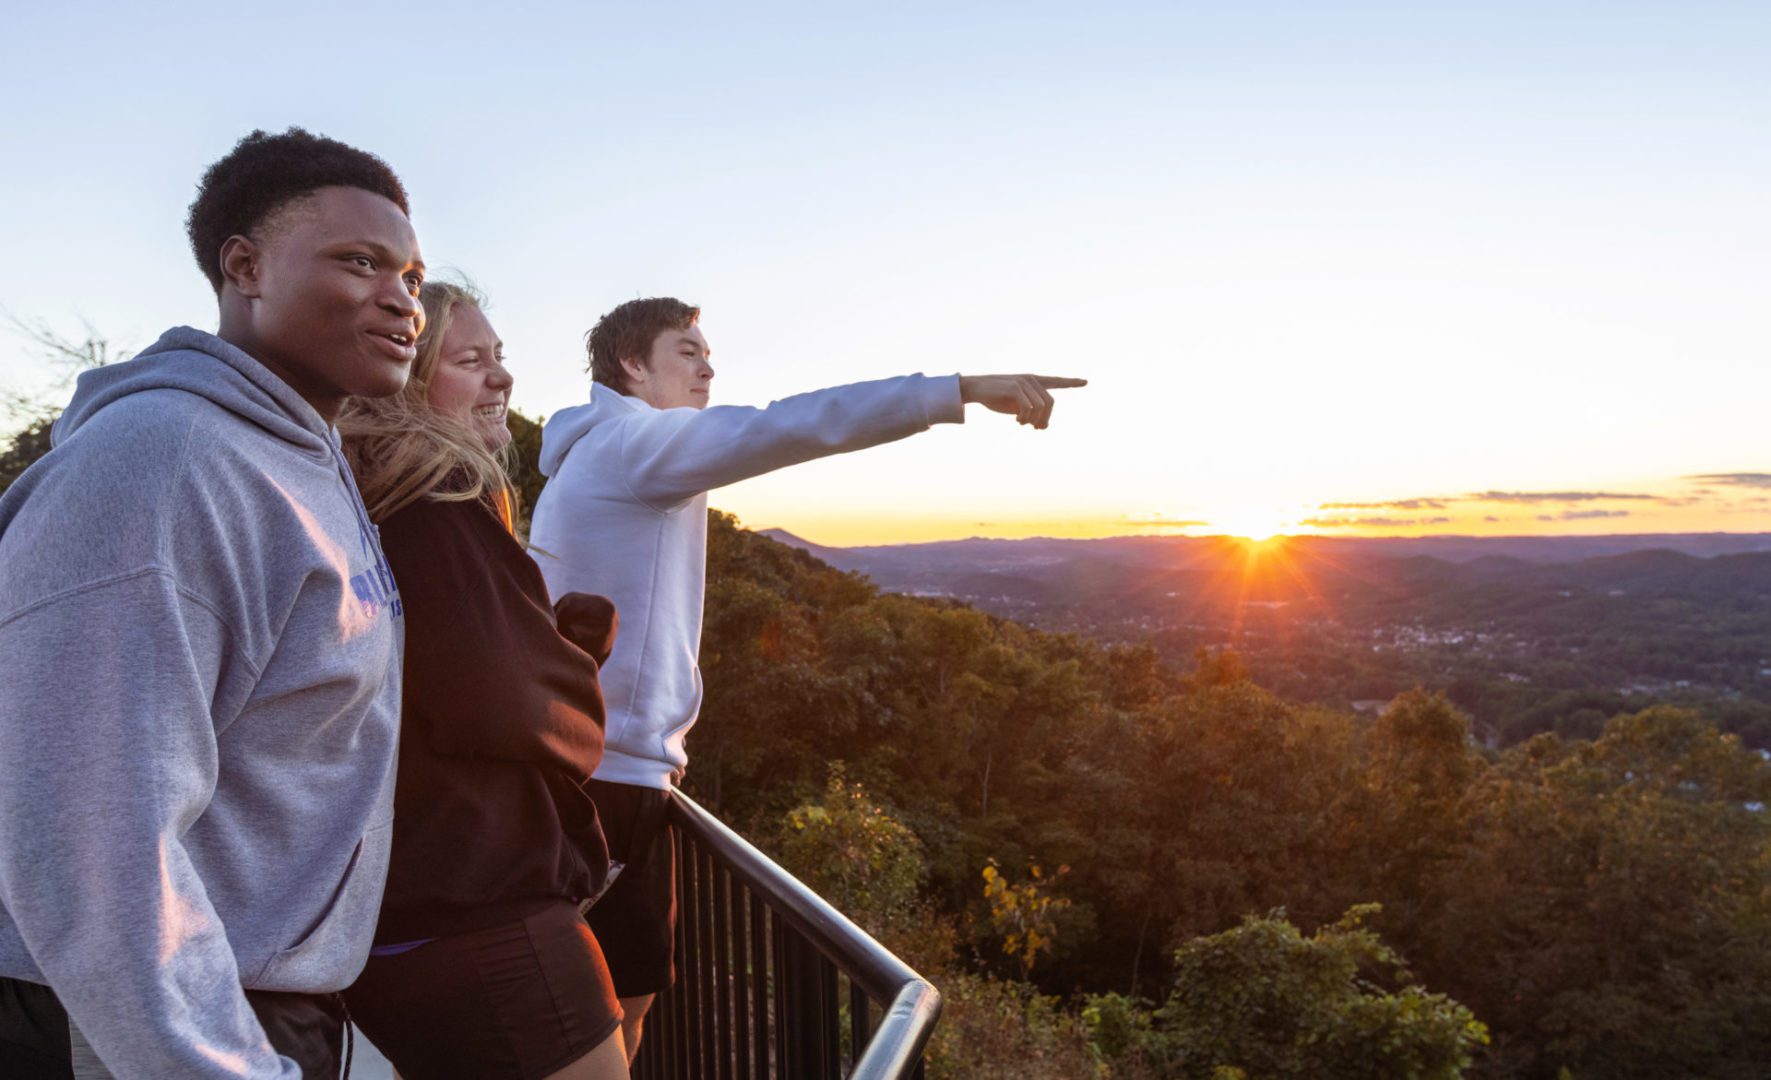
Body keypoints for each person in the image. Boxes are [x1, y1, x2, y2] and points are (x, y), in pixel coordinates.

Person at [528, 296, 1085, 1057]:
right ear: (632, 365)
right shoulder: (636, 445)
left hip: (596, 763)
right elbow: (790, 423)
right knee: (611, 1018)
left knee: (611, 1006)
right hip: (614, 775)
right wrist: (957, 389)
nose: (708, 366)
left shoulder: (587, 453)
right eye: (686, 350)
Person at [0, 128, 422, 1077]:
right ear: (245, 267)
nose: (402, 300)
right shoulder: (162, 464)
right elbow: (92, 843)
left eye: (410, 274)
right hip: (133, 1028)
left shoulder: (299, 460)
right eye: (360, 263)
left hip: (258, 998)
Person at [338, 281, 629, 1080]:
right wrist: (574, 670)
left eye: (499, 359)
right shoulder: (438, 501)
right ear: (408, 374)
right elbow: (508, 703)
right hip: (490, 927)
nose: (501, 378)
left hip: (392, 928)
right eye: (471, 361)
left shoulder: (360, 506)